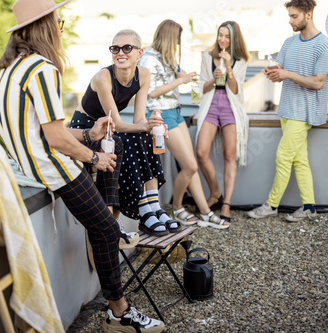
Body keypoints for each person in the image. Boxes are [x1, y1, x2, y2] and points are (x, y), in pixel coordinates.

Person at [0, 0, 165, 332]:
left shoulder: (10, 70)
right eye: (58, 24)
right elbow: (55, 140)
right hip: (49, 168)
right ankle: (119, 313)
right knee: (105, 229)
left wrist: (88, 133)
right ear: (44, 28)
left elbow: (42, 132)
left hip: (24, 166)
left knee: (106, 226)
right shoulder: (40, 69)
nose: (61, 31)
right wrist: (94, 157)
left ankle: (120, 298)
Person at [70, 29, 180, 237]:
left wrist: (152, 126)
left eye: (127, 48)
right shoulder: (103, 76)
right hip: (85, 131)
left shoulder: (143, 75)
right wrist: (146, 126)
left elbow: (138, 120)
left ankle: (153, 205)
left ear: (139, 53)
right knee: (132, 138)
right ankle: (143, 208)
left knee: (146, 136)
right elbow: (119, 125)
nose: (121, 53)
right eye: (115, 48)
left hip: (108, 130)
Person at [138, 19, 229, 229]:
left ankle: (205, 212)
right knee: (189, 165)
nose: (178, 44)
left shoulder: (167, 57)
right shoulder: (149, 58)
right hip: (161, 114)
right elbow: (151, 92)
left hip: (176, 112)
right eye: (177, 40)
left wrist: (188, 75)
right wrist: (181, 80)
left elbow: (181, 75)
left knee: (192, 166)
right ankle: (178, 208)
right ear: (170, 37)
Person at [248, 0, 328, 221]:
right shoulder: (289, 43)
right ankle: (309, 207)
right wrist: (273, 72)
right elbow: (280, 69)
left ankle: (271, 204)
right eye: (290, 16)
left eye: (294, 16)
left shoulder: (323, 46)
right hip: (286, 110)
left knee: (283, 156)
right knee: (299, 160)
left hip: (304, 113)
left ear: (308, 15)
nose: (290, 20)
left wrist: (287, 74)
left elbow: (318, 83)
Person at [195, 21, 250, 224]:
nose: (222, 40)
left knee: (229, 155)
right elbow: (202, 88)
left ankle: (226, 203)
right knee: (201, 152)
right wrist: (213, 78)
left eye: (227, 36)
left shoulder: (241, 60)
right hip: (211, 105)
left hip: (230, 107)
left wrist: (228, 67)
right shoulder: (207, 57)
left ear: (234, 39)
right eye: (220, 35)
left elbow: (236, 91)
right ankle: (215, 192)